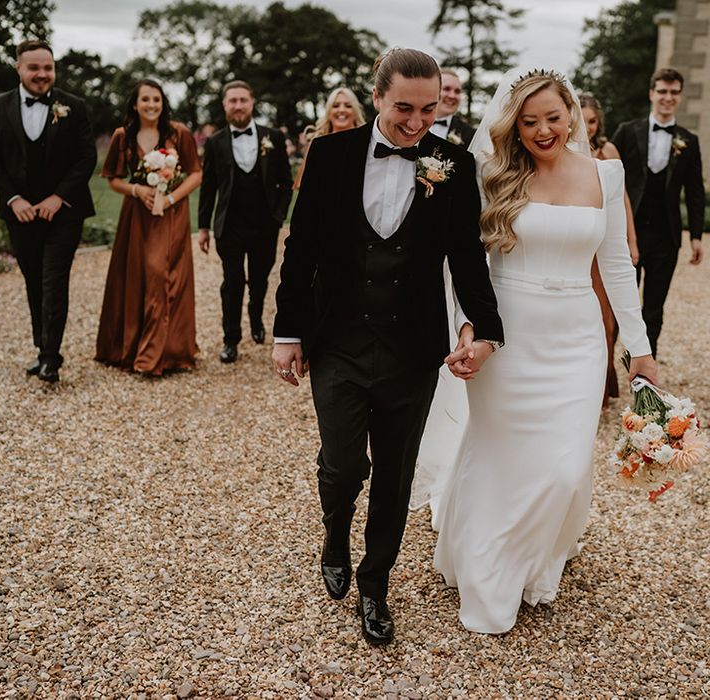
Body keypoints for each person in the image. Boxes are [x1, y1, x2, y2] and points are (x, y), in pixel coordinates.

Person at [271, 48, 503, 645]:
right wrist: (287, 331)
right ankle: (333, 532)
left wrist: (486, 326)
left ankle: (375, 585)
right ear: (376, 97)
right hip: (339, 342)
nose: (415, 123)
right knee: (344, 463)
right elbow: (302, 249)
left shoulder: (450, 162)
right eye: (403, 108)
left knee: (396, 475)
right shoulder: (330, 154)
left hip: (412, 346)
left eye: (428, 110)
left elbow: (467, 256)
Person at [431, 69, 658, 634]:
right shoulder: (493, 175)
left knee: (564, 466)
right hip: (506, 333)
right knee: (500, 453)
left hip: (578, 338)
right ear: (513, 124)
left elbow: (615, 266)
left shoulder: (605, 175)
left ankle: (537, 554)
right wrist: (468, 328)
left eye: (553, 118)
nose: (542, 130)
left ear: (572, 115)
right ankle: (489, 574)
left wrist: (639, 346)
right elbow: (470, 265)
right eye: (529, 121)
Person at [0, 39, 96, 383]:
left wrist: (58, 197)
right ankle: (41, 346)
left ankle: (51, 358)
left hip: (64, 213)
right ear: (18, 68)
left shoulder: (73, 106)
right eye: (34, 68)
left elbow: (86, 157)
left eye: (48, 67)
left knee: (54, 281)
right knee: (33, 280)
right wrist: (14, 199)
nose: (42, 74)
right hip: (21, 213)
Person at [95, 79, 202, 376]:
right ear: (135, 104)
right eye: (145, 100)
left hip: (171, 214)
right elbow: (114, 179)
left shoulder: (178, 134)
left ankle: (164, 352)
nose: (151, 105)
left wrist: (169, 199)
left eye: (156, 99)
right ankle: (129, 347)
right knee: (137, 276)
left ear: (163, 103)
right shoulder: (122, 136)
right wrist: (136, 191)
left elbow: (195, 174)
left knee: (163, 274)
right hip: (137, 216)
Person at [611, 67, 705, 357]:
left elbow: (694, 192)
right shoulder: (627, 131)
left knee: (654, 308)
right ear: (652, 93)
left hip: (666, 236)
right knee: (618, 304)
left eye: (674, 92)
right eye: (662, 91)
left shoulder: (689, 141)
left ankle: (644, 375)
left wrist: (697, 236)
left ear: (680, 96)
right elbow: (608, 176)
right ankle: (605, 373)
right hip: (629, 232)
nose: (668, 97)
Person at [197, 80, 293, 364]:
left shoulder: (272, 137)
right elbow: (208, 187)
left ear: (252, 103)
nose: (238, 105)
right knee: (233, 281)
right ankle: (231, 339)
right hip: (230, 226)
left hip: (265, 225)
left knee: (260, 280)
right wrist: (203, 227)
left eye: (243, 100)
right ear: (224, 105)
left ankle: (256, 318)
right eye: (232, 101)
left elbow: (286, 183)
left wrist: (278, 216)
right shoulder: (215, 143)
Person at [579, 92, 639, 403]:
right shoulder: (562, 150)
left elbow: (624, 199)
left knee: (606, 316)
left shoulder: (608, 150)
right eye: (583, 120)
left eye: (593, 121)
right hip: (579, 244)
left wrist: (631, 239)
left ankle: (602, 387)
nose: (587, 127)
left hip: (605, 242)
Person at [293, 87, 366, 189]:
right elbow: (300, 184)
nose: (341, 110)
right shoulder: (317, 144)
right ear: (328, 112)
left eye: (348, 106)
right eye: (335, 106)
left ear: (355, 111)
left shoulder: (366, 142)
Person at [428, 69, 475, 147]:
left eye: (457, 91)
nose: (452, 96)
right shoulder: (413, 122)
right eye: (446, 89)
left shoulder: (470, 134)